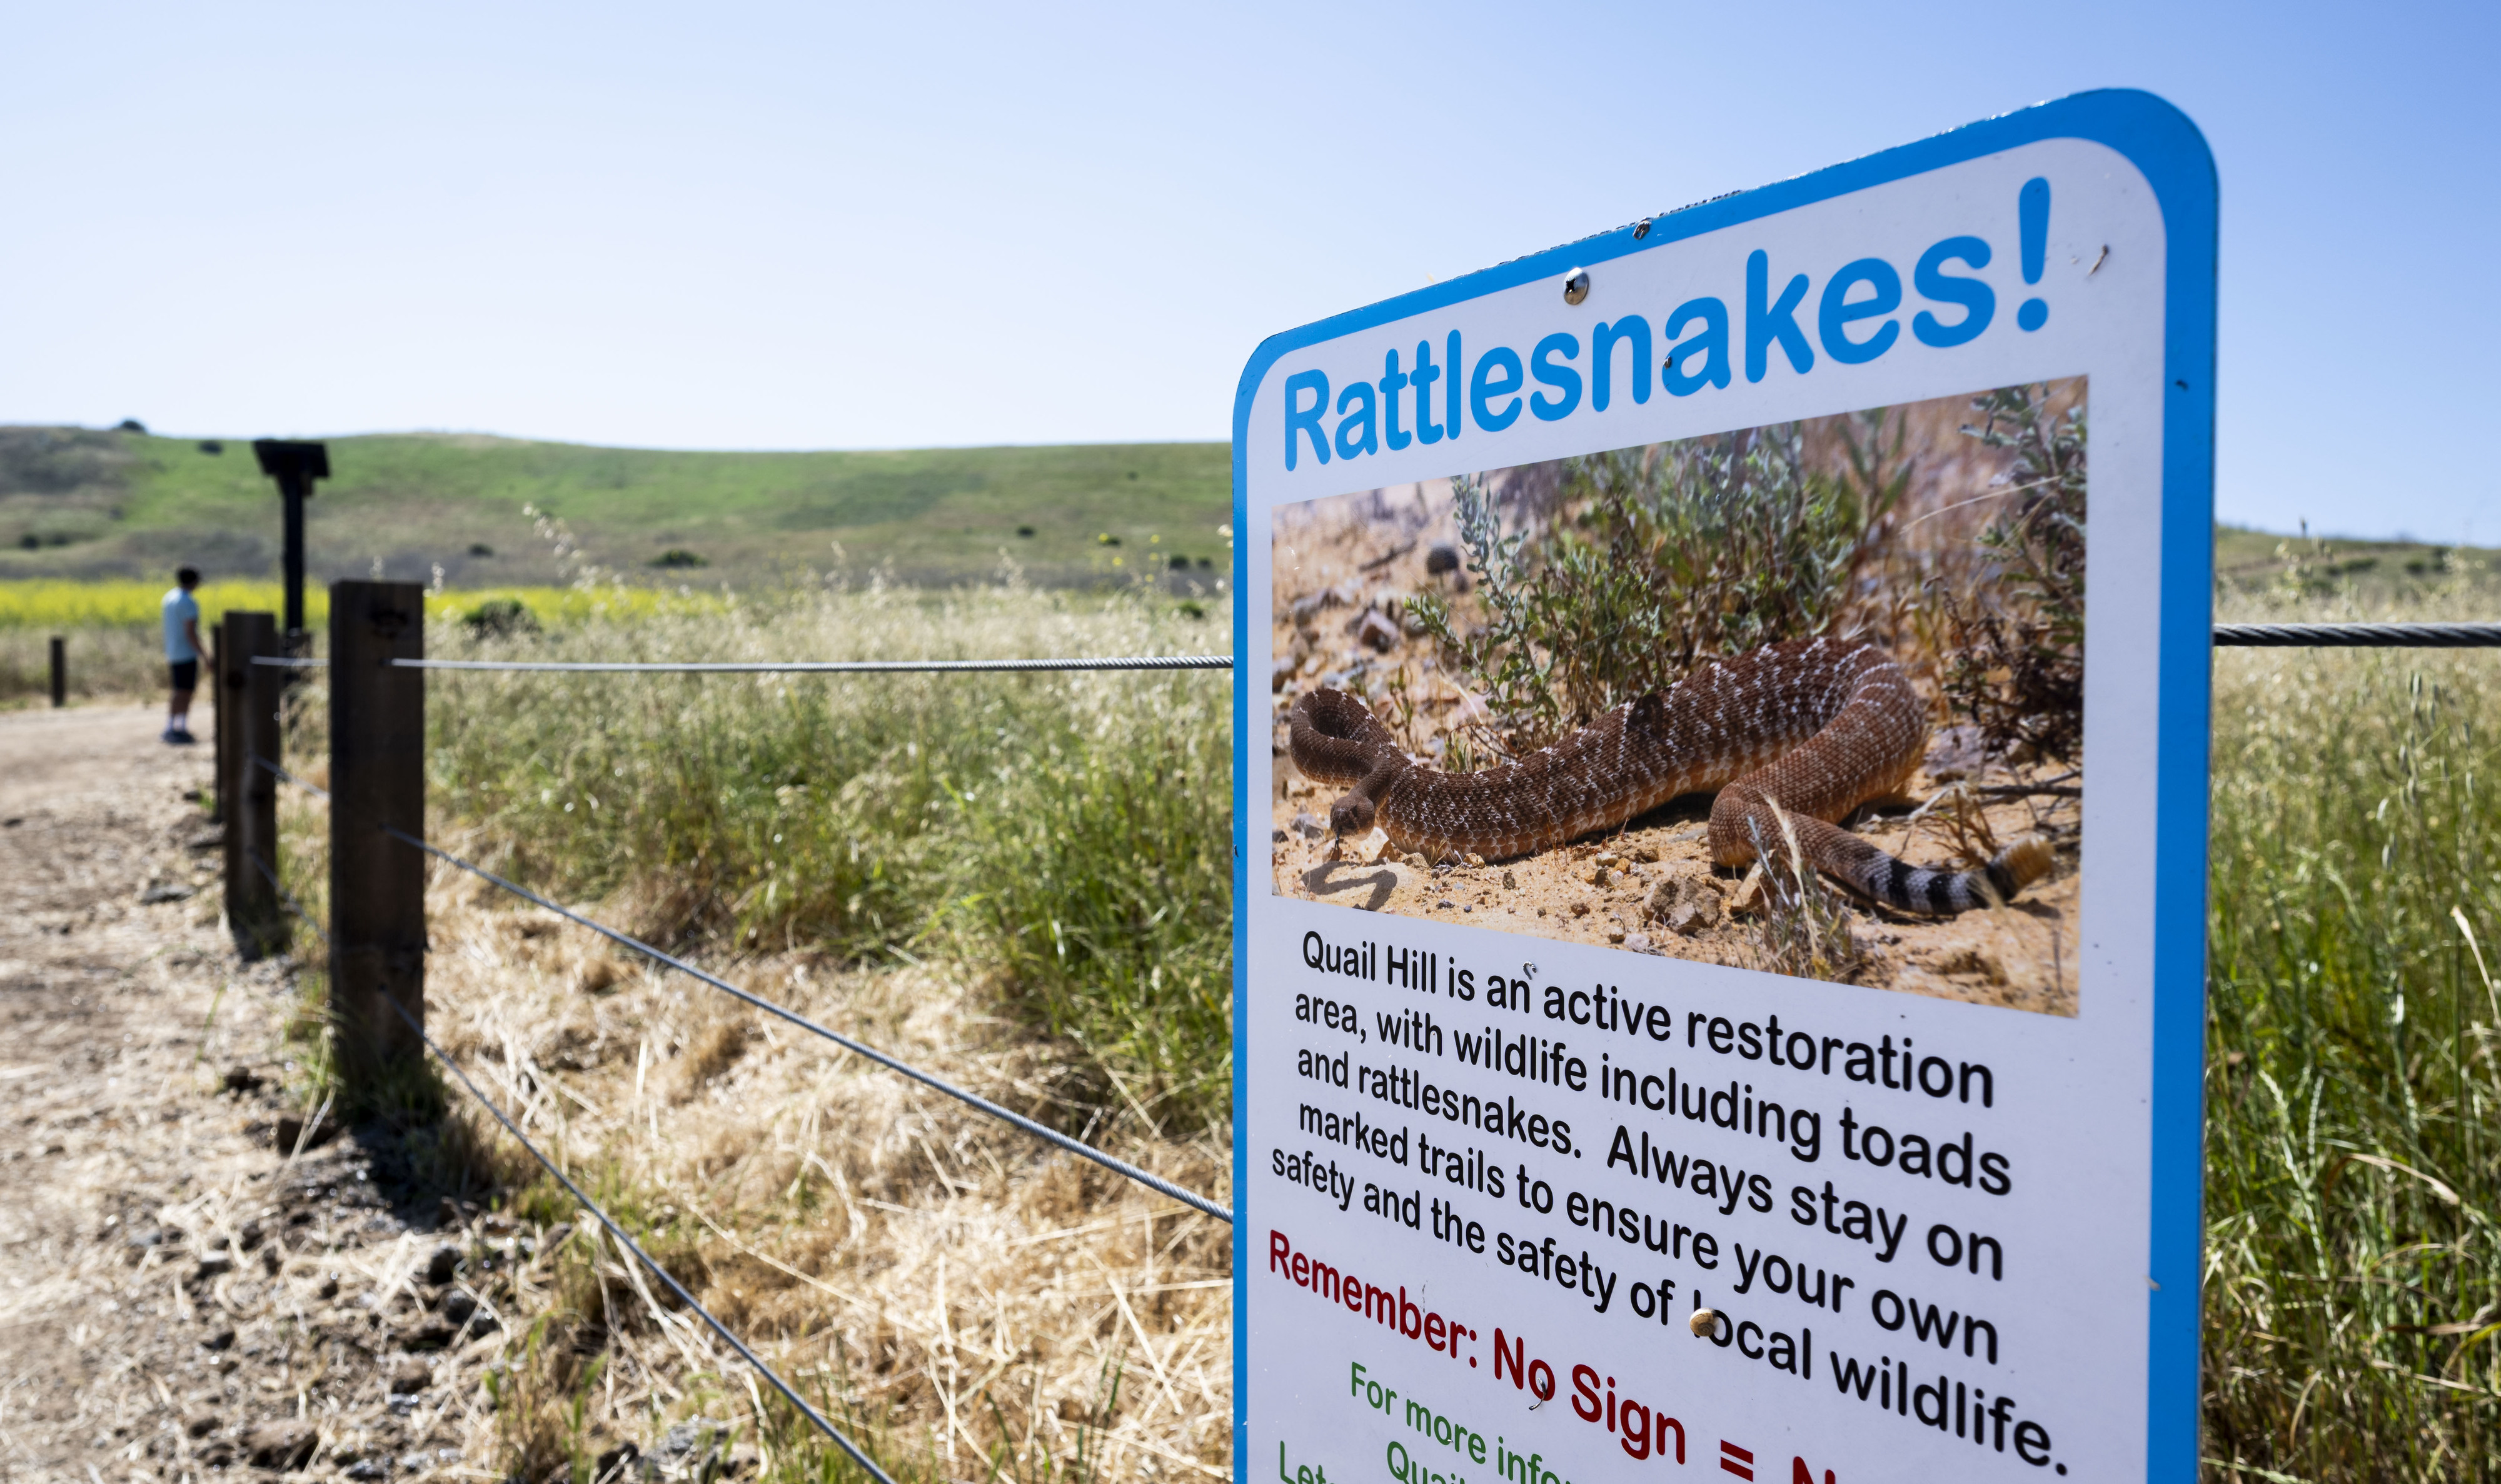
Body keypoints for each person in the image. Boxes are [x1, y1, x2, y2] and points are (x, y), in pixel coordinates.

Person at [162, 567, 203, 745]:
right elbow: (191, 632)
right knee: (185, 691)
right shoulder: (188, 601)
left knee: (179, 690)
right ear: (194, 581)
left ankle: (173, 726)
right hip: (186, 652)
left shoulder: (169, 598)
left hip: (173, 651)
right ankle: (179, 727)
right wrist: (204, 654)